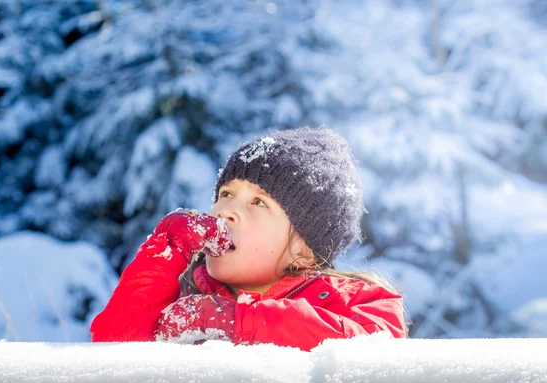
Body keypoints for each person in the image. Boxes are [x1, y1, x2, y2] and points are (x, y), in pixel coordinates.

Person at [90, 126, 408, 351]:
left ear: (303, 250)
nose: (226, 210)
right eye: (226, 194)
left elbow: (377, 349)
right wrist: (168, 247)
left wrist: (239, 320)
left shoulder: (354, 301)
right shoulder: (183, 299)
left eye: (258, 202)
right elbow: (113, 352)